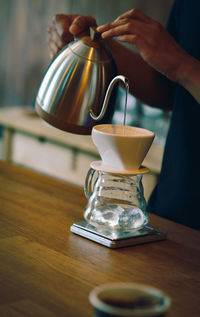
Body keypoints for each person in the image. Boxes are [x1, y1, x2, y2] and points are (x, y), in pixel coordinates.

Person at [48, 0, 200, 230]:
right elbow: (169, 90)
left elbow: (180, 69)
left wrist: (184, 67)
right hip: (174, 205)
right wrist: (96, 44)